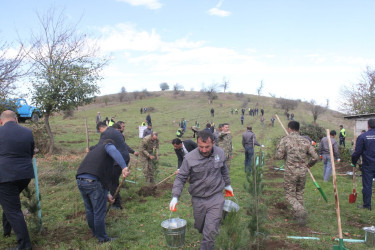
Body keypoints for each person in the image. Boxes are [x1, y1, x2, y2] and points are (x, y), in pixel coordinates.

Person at [170, 131, 233, 250]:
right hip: (198, 199)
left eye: (207, 147)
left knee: (210, 232)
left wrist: (228, 185)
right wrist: (175, 196)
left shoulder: (220, 152)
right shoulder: (189, 158)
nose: (204, 150)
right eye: (201, 147)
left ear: (213, 143)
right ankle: (208, 231)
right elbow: (181, 177)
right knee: (200, 226)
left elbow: (223, 169)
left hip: (216, 197)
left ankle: (209, 240)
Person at [76, 139, 130, 243]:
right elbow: (112, 150)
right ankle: (102, 239)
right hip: (93, 183)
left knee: (90, 210)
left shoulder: (95, 153)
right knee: (99, 212)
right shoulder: (108, 146)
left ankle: (95, 233)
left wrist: (107, 194)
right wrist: (124, 167)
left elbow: (103, 178)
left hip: (80, 180)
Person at [0, 110, 34, 250]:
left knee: (13, 209)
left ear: (1, 121)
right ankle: (6, 231)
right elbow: (30, 153)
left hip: (6, 176)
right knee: (9, 202)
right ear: (16, 119)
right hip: (25, 175)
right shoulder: (27, 132)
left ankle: (25, 245)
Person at [276, 121, 319, 225]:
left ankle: (300, 210)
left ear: (289, 129)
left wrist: (279, 149)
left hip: (291, 172)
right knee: (299, 193)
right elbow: (315, 157)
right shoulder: (305, 141)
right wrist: (309, 165)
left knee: (289, 195)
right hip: (303, 172)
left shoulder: (285, 140)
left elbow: (278, 156)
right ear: (298, 129)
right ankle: (299, 218)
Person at [92, 122, 131, 210]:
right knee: (114, 180)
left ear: (100, 128)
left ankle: (116, 205)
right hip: (125, 158)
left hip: (117, 160)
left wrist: (90, 149)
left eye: (100, 131)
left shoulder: (106, 133)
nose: (100, 133)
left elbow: (100, 146)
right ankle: (117, 197)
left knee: (111, 182)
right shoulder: (114, 131)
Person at [352, 119, 375, 210]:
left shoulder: (363, 137)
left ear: (368, 125)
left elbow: (357, 152)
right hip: (368, 164)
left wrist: (353, 162)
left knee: (367, 185)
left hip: (368, 165)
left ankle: (367, 205)